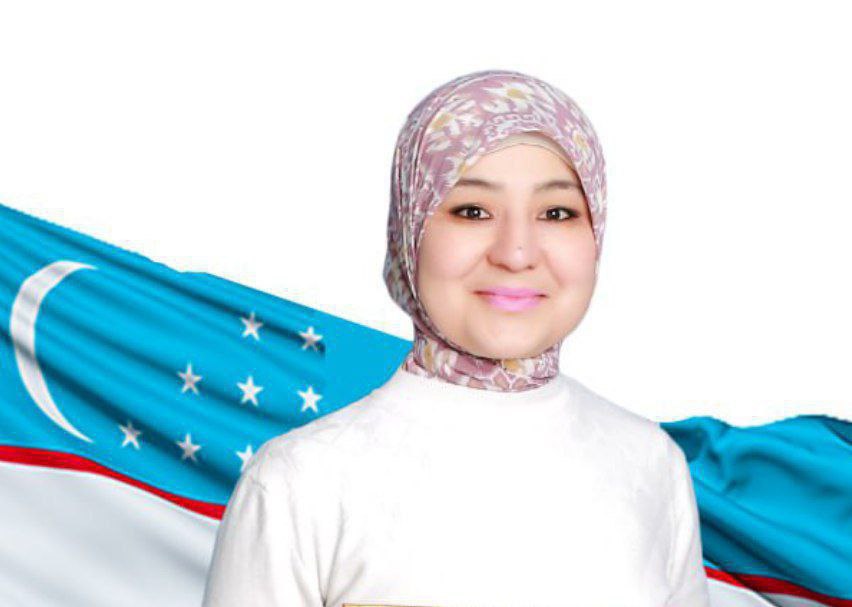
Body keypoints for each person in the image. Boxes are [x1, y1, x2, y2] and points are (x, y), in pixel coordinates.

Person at [201, 69, 711, 607]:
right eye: (472, 211)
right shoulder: (299, 484)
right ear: (410, 229)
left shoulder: (652, 465)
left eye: (556, 212)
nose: (516, 252)